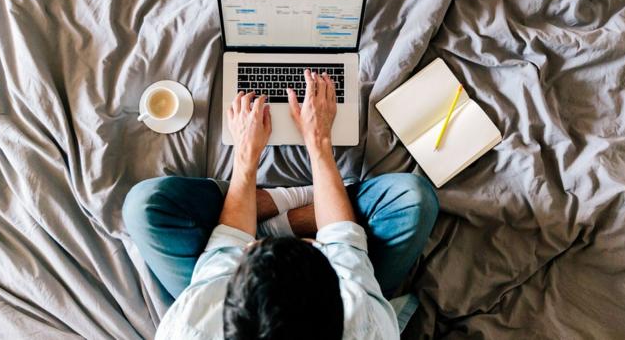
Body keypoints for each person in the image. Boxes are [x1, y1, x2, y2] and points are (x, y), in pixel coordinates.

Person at [123, 70, 439, 339]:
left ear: (229, 308)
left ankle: (268, 211)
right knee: (413, 200)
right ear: (340, 296)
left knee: (143, 207)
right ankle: (302, 209)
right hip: (338, 281)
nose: (244, 248)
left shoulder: (192, 326)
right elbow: (342, 237)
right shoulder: (365, 324)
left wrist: (245, 157)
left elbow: (228, 246)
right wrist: (319, 143)